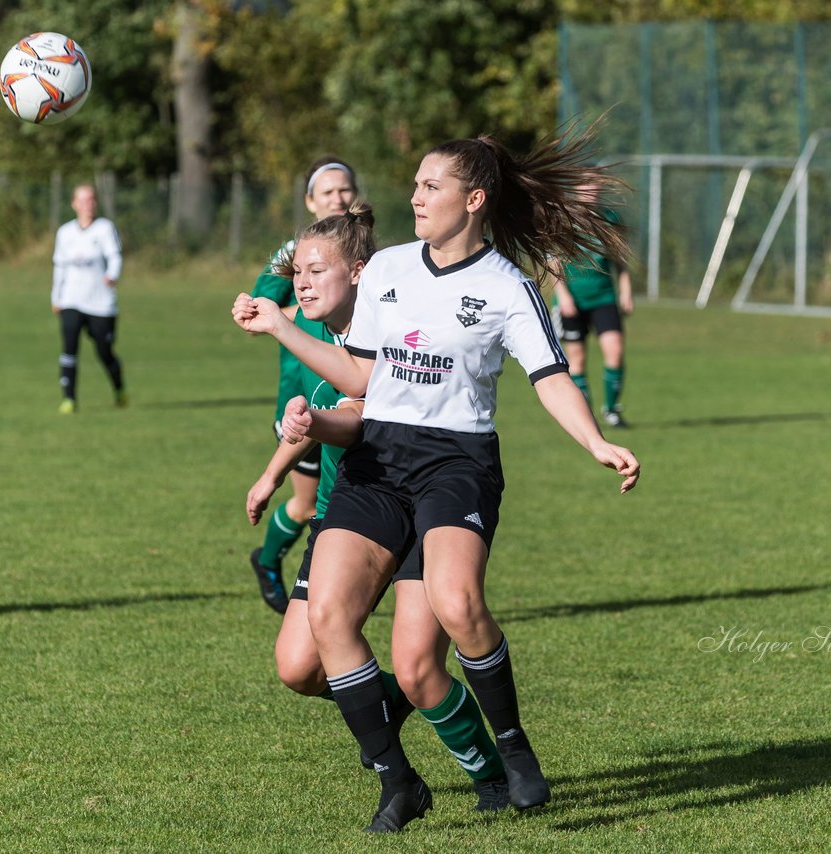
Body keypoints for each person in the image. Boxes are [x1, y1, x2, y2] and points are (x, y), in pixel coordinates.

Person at [232, 126, 641, 833]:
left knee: (452, 608)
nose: (415, 196)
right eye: (417, 185)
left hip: (457, 463)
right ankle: (397, 781)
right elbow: (363, 378)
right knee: (327, 621)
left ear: (473, 200)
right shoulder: (387, 268)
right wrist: (284, 332)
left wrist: (595, 440)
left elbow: (551, 378)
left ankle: (511, 746)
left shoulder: (507, 287)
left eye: (431, 187)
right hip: (379, 462)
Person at [242, 206, 510, 821]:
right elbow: (320, 406)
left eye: (316, 269)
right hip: (350, 506)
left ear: (359, 271)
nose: (301, 282)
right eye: (297, 271)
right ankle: (378, 704)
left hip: (413, 499)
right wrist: (272, 473)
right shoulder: (322, 335)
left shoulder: (389, 322)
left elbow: (354, 411)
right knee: (299, 666)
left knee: (419, 669)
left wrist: (313, 418)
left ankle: (486, 770)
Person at [247, 157, 359, 614]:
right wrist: (270, 316)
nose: (338, 198)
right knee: (307, 499)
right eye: (327, 192)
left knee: (333, 496)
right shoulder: (293, 253)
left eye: (345, 190)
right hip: (302, 395)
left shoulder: (363, 252)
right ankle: (270, 561)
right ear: (310, 201)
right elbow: (258, 307)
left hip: (354, 395)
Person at [552, 196, 633, 427]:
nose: (593, 189)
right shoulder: (563, 218)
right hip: (572, 300)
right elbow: (552, 261)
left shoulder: (610, 218)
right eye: (587, 184)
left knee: (615, 351)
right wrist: (563, 295)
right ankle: (585, 417)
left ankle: (612, 410)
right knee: (577, 361)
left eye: (596, 184)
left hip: (604, 297)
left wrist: (626, 289)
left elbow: (620, 258)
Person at [51, 183, 126, 414]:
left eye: (91, 200)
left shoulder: (104, 228)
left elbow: (115, 256)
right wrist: (56, 296)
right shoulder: (65, 232)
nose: (88, 205)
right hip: (72, 300)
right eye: (82, 200)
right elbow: (59, 267)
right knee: (69, 348)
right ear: (74, 204)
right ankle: (69, 399)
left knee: (104, 351)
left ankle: (119, 388)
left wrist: (112, 275)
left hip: (100, 303)